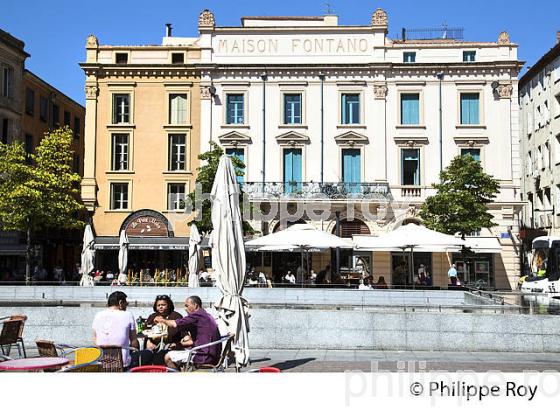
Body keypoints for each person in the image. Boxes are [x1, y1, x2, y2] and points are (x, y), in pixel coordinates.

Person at [155, 295, 221, 370]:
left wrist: (162, 320)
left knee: (168, 357)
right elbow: (199, 340)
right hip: (212, 354)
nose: (185, 309)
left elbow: (174, 324)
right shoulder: (207, 315)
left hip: (203, 356)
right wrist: (180, 344)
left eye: (187, 306)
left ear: (195, 305)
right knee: (178, 352)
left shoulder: (196, 316)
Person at [92, 291, 139, 369]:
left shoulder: (98, 315)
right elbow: (134, 342)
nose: (126, 306)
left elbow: (94, 340)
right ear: (120, 303)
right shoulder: (128, 315)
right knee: (147, 353)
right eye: (126, 303)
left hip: (101, 361)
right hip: (122, 362)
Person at [134, 295, 185, 366]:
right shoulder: (152, 317)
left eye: (163, 305)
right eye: (158, 305)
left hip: (170, 347)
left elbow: (183, 334)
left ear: (169, 305)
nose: (161, 307)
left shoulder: (176, 316)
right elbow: (145, 331)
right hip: (153, 347)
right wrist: (148, 341)